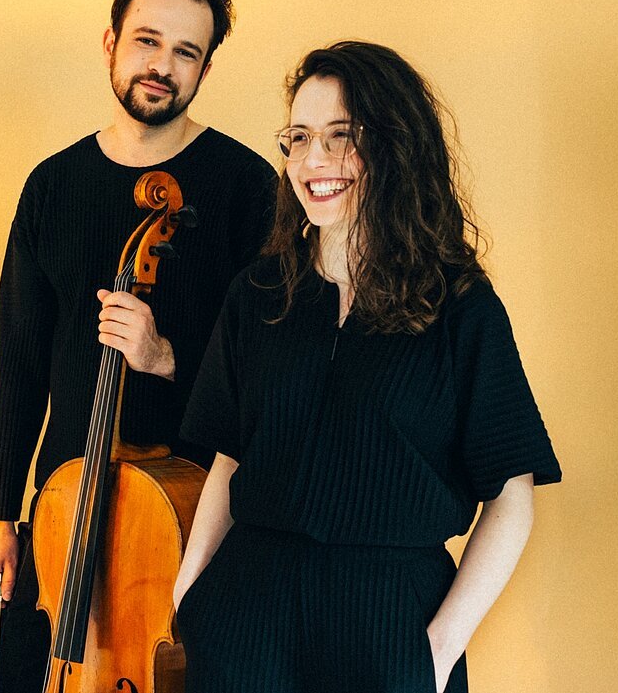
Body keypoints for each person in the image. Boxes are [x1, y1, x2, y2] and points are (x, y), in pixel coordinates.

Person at [173, 40, 562, 692]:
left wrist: (438, 650)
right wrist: (191, 595)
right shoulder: (258, 293)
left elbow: (511, 495)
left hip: (390, 628)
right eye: (299, 137)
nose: (312, 161)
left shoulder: (460, 305)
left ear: (394, 146)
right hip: (245, 622)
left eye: (341, 137)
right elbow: (230, 459)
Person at [0, 0, 277, 691]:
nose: (162, 65)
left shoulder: (247, 186)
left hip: (192, 521)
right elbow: (20, 361)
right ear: (110, 43)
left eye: (185, 51)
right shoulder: (53, 185)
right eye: (147, 40)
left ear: (205, 68)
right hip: (63, 511)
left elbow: (271, 368)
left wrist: (166, 356)